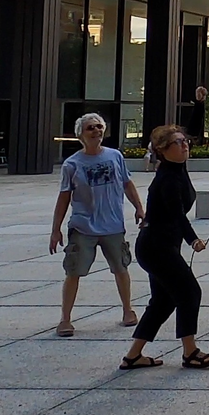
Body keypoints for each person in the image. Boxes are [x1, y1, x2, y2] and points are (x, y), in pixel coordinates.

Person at [120, 124, 209, 370]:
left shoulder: (177, 170)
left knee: (163, 301)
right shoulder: (167, 179)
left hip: (160, 245)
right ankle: (190, 352)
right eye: (178, 142)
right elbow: (177, 214)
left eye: (185, 141)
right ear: (162, 150)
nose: (185, 145)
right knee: (189, 292)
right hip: (156, 247)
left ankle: (133, 356)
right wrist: (193, 239)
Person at [49, 113, 145, 337]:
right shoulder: (72, 164)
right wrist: (56, 229)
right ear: (81, 135)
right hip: (83, 227)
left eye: (99, 126)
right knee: (74, 271)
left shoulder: (115, 156)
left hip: (113, 225)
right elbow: (64, 197)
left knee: (121, 268)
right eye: (90, 128)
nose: (96, 131)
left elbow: (127, 183)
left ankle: (128, 310)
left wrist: (139, 208)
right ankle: (65, 319)